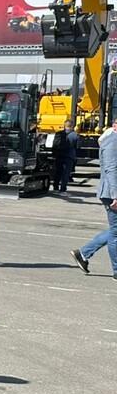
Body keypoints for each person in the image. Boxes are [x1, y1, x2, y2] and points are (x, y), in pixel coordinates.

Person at [71, 118, 117, 279]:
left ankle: (83, 253)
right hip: (111, 194)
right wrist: (115, 195)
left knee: (115, 230)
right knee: (115, 233)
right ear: (115, 125)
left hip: (112, 192)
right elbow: (111, 169)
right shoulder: (112, 141)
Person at [52, 121, 79, 194]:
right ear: (72, 126)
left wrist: (54, 154)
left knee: (58, 172)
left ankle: (55, 188)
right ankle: (63, 189)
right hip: (69, 156)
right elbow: (77, 147)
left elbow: (54, 145)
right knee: (66, 174)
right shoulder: (75, 135)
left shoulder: (58, 134)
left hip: (59, 156)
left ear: (64, 126)